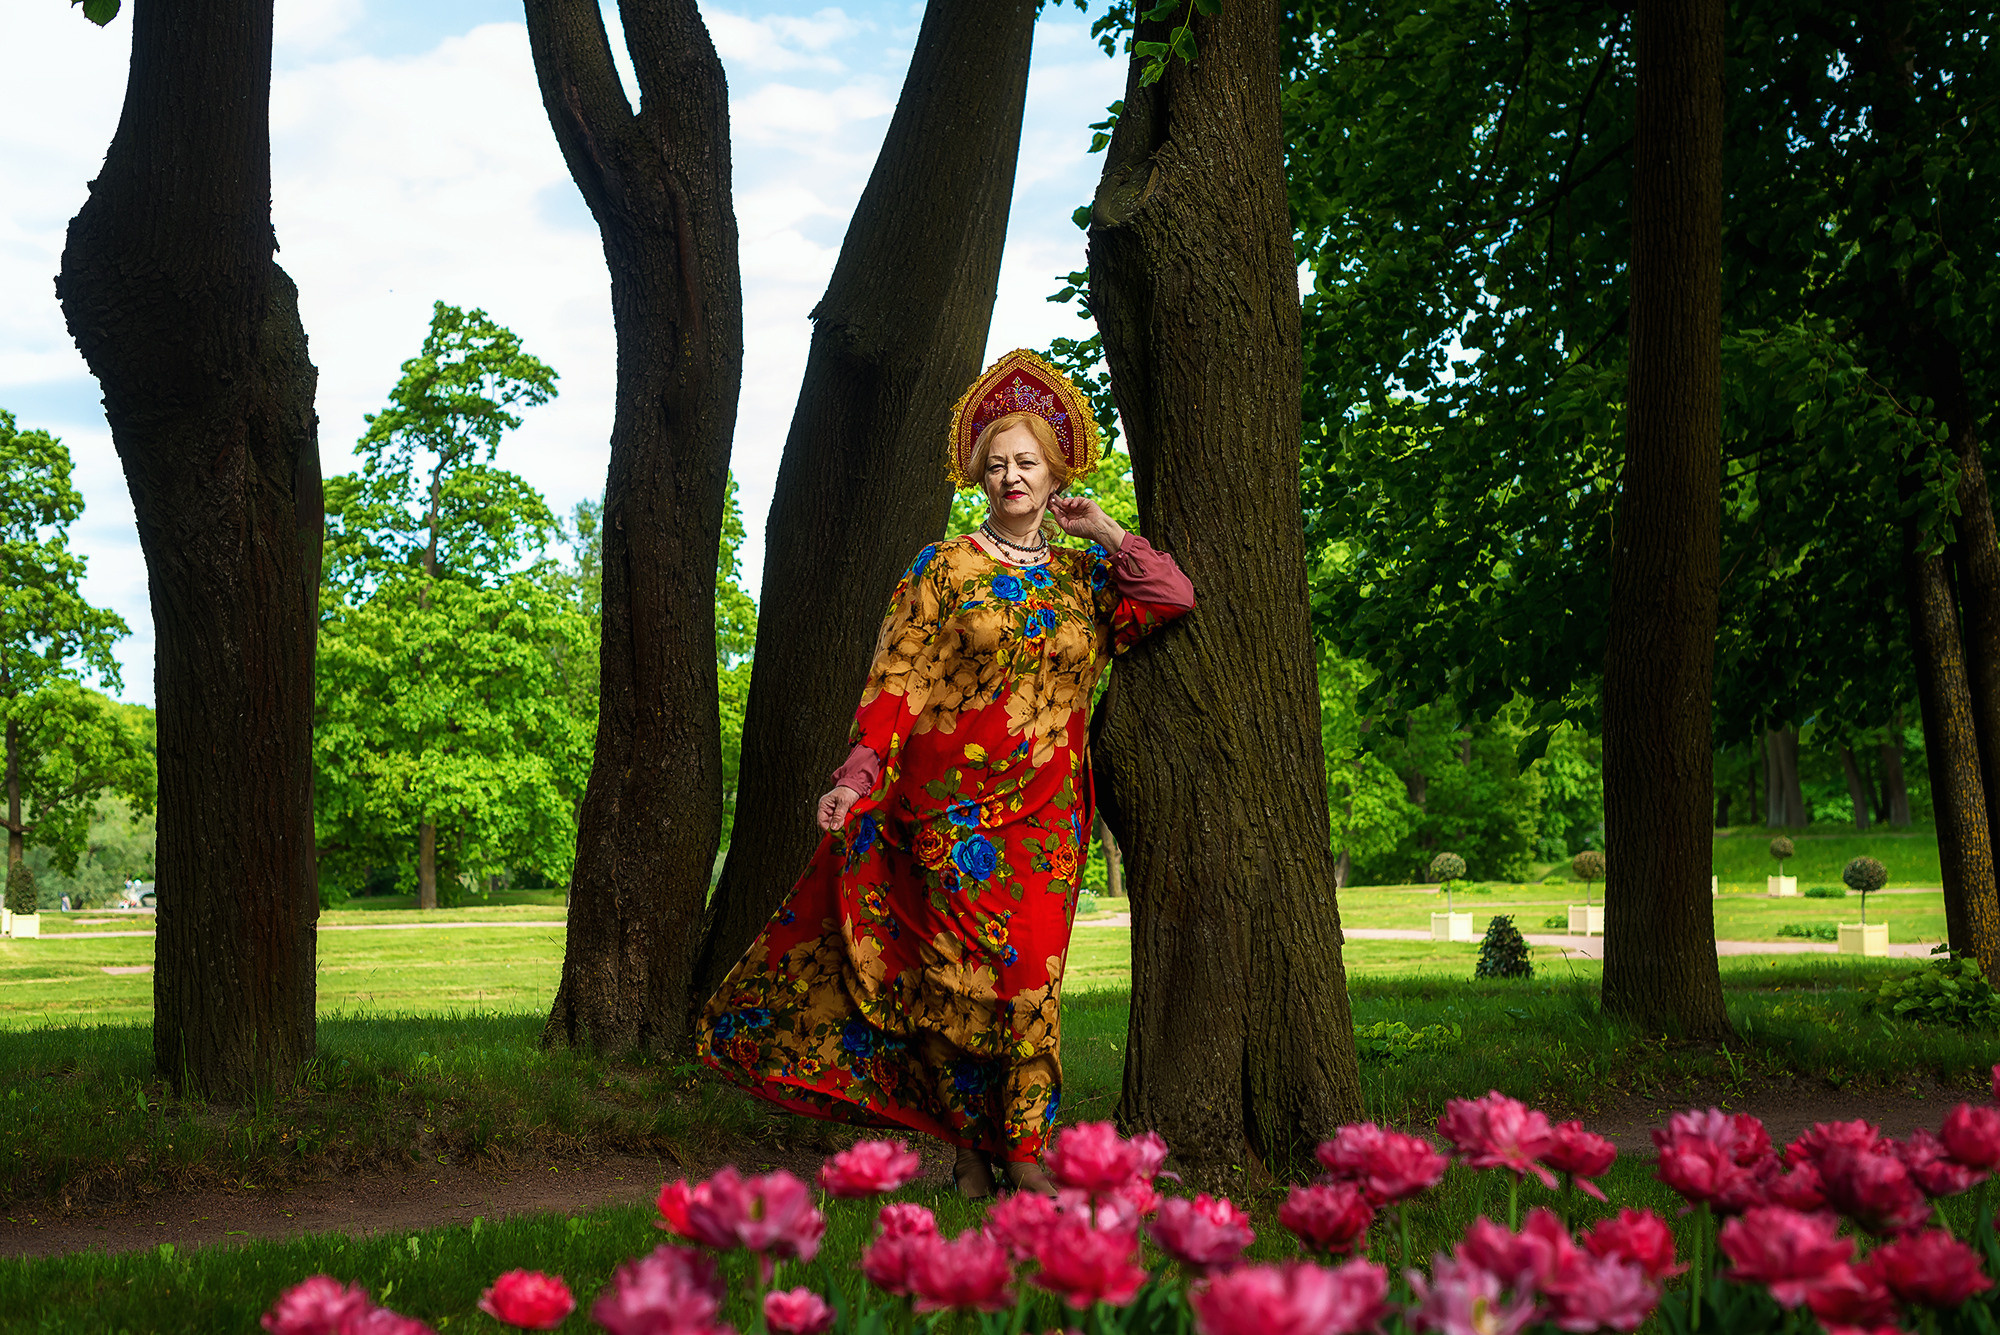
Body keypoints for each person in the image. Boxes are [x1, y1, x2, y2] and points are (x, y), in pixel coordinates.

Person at [697, 349, 1196, 1198]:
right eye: (997, 464)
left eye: (1027, 463)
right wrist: (856, 775)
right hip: (945, 813)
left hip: (1046, 821)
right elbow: (897, 678)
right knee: (953, 991)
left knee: (1031, 980)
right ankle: (971, 1146)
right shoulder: (942, 567)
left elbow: (1171, 596)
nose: (1011, 477)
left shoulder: (1084, 574)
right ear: (977, 473)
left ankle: (1026, 1150)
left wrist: (1107, 530)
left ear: (1055, 472)